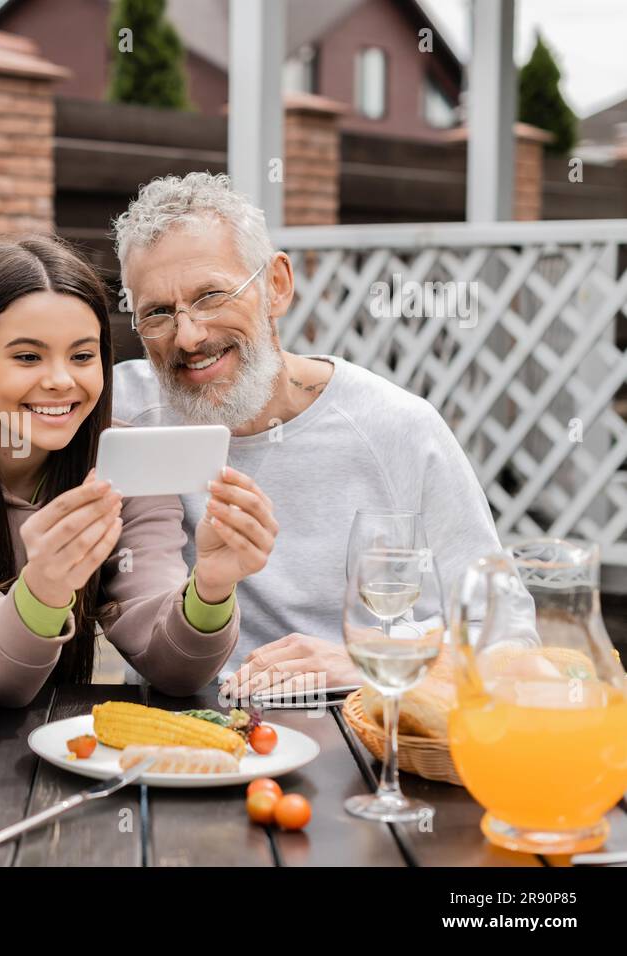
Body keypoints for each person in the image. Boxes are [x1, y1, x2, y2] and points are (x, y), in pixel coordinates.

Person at [109, 172, 503, 698]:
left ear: (277, 284)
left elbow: (505, 633)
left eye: (211, 296)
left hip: (354, 731)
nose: (188, 335)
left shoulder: (395, 427)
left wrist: (369, 658)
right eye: (157, 312)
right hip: (179, 735)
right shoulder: (120, 409)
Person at [0, 237, 278, 707]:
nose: (60, 380)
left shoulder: (125, 465)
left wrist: (211, 588)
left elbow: (171, 668)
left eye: (82, 356)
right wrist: (44, 588)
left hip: (68, 755)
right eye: (27, 357)